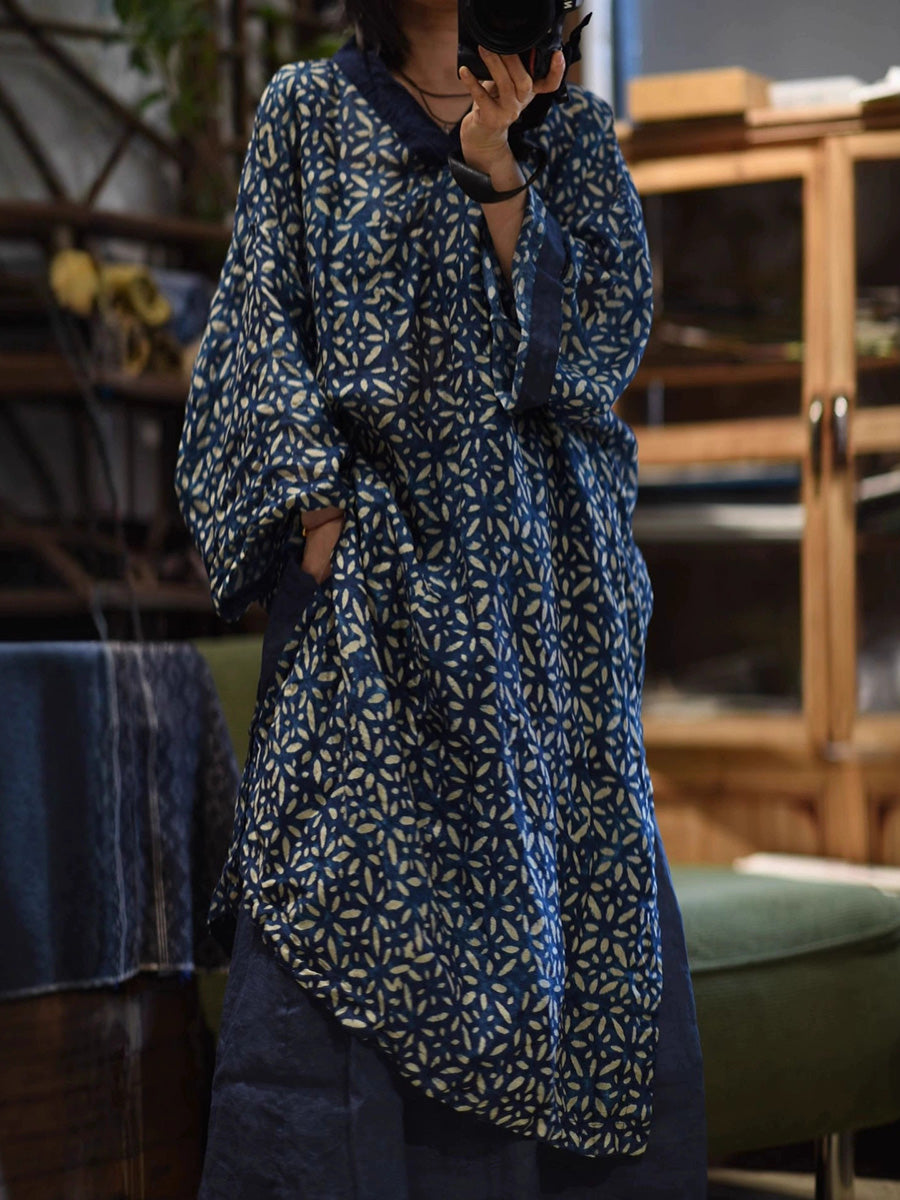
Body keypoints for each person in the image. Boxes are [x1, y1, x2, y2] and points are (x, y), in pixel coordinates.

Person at [174, 1, 709, 1195]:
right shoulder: (308, 113)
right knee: (339, 901)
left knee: (580, 927)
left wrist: (497, 168)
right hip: (371, 615)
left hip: (544, 624)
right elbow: (256, 336)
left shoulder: (572, 134)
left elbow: (597, 350)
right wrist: (319, 522)